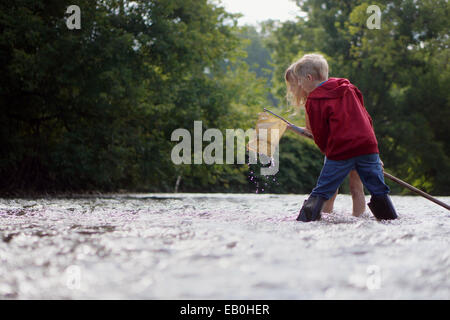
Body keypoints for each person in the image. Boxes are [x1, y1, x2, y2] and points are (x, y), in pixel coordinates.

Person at [284, 53, 397, 222]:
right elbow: (366, 118)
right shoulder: (349, 89)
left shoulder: (314, 100)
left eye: (300, 80)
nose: (299, 84)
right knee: (378, 189)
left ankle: (304, 222)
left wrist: (328, 151)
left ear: (308, 78)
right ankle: (391, 220)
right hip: (367, 146)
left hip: (340, 152)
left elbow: (319, 134)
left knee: (322, 190)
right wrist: (374, 152)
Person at [285, 63, 366, 217]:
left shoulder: (320, 99)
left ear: (304, 81)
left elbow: (360, 123)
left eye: (293, 85)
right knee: (340, 189)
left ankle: (356, 219)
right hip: (345, 147)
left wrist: (373, 157)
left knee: (349, 187)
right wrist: (291, 127)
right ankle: (330, 217)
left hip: (350, 147)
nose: (291, 89)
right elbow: (313, 133)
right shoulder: (313, 102)